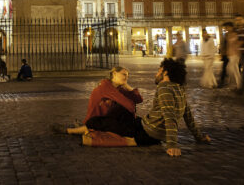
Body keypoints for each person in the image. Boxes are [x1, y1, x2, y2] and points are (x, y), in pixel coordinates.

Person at [81, 59, 211, 156]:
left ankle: (89, 127)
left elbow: (169, 116)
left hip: (146, 134)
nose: (156, 74)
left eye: (159, 71)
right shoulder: (179, 88)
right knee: (121, 111)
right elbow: (188, 115)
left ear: (165, 73)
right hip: (145, 125)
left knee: (94, 122)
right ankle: (108, 123)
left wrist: (172, 145)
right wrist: (199, 137)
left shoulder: (164, 88)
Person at [62, 67, 142, 137]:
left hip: (107, 119)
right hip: (97, 121)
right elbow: (130, 106)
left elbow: (138, 99)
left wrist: (126, 85)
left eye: (127, 76)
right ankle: (75, 130)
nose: (126, 77)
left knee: (138, 121)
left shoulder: (118, 88)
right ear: (114, 74)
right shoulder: (106, 87)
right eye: (124, 74)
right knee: (130, 119)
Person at [225, 24, 242, 90]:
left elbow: (239, 43)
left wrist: (237, 50)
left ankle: (239, 84)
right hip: (231, 54)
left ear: (231, 27)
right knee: (232, 69)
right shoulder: (228, 35)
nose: (226, 29)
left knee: (234, 70)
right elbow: (229, 45)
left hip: (235, 54)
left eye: (227, 27)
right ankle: (237, 84)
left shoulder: (235, 34)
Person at [218, 22, 232, 87]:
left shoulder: (233, 34)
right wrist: (222, 53)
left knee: (235, 69)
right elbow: (223, 45)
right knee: (224, 68)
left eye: (226, 27)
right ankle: (222, 81)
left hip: (232, 54)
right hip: (226, 54)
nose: (226, 29)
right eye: (225, 28)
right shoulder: (225, 35)